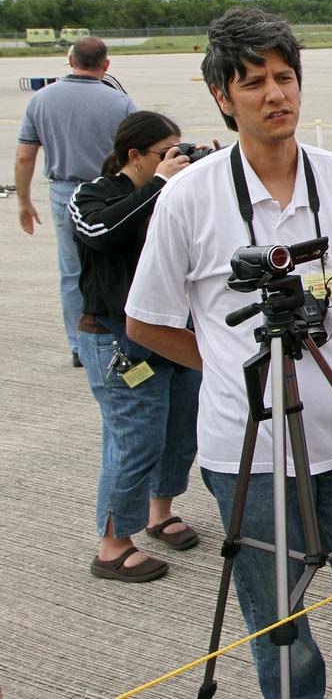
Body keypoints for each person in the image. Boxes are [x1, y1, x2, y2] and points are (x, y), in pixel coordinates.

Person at [124, 7, 332, 697]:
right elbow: (145, 323)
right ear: (222, 96)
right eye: (255, 80)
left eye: (286, 76)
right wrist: (233, 365)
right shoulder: (188, 198)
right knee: (281, 629)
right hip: (249, 456)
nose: (276, 94)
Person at [71, 111, 204, 583]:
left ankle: (158, 511)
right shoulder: (92, 194)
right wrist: (159, 185)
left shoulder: (175, 194)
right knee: (134, 440)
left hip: (172, 332)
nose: (175, 158)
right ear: (134, 156)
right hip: (116, 339)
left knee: (178, 432)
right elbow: (101, 234)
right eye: (165, 151)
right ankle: (111, 544)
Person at [15, 36, 137, 366]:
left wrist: (24, 201)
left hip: (63, 193)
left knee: (71, 272)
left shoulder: (41, 100)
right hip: (111, 193)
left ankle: (78, 346)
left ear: (71, 61)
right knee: (119, 267)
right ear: (106, 65)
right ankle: (122, 336)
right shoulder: (120, 103)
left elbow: (25, 156)